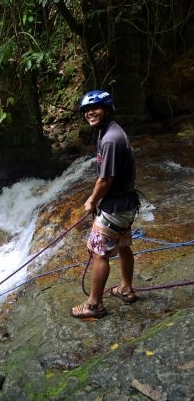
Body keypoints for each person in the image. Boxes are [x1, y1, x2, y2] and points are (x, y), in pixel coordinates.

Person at [71, 90, 140, 319]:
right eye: (87, 110)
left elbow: (105, 179)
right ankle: (126, 288)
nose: (90, 112)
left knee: (99, 252)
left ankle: (94, 305)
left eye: (96, 108)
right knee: (122, 244)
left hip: (116, 207)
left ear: (107, 109)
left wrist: (92, 200)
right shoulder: (108, 132)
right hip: (125, 203)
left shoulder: (110, 139)